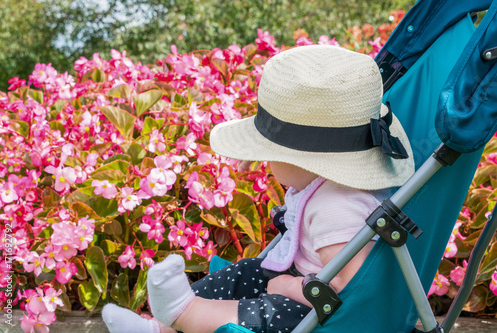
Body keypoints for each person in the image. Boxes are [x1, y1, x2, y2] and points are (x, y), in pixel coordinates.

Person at [102, 44, 415, 333]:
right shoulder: (322, 184)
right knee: (246, 272)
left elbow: (352, 290)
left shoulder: (336, 207)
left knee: (269, 309)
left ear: (306, 160)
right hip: (304, 281)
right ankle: (166, 326)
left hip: (322, 308)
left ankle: (182, 315)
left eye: (269, 152)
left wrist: (288, 288)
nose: (265, 160)